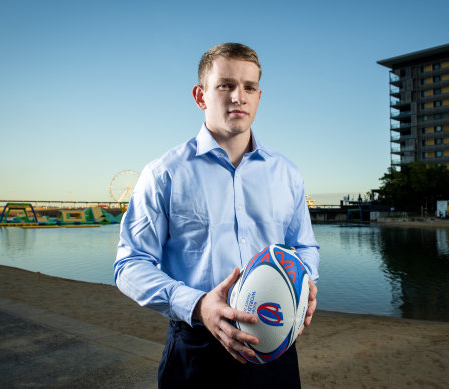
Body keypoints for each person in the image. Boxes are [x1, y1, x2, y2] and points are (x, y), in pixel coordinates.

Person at [114, 42, 320, 388]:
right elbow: (129, 264)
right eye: (225, 85)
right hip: (196, 350)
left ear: (258, 96)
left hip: (276, 348)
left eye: (249, 87)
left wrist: (305, 281)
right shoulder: (164, 173)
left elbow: (305, 246)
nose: (238, 97)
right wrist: (197, 305)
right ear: (201, 95)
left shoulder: (287, 174)